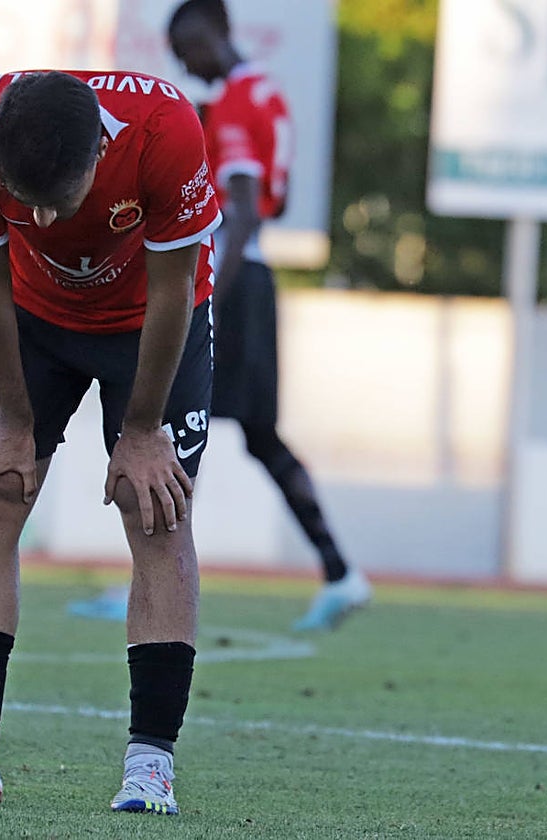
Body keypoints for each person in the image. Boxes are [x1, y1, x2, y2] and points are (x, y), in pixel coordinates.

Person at [0, 69, 222, 815]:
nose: (41, 216)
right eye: (27, 198)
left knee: (156, 510)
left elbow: (176, 288)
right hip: (31, 317)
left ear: (99, 152)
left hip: (148, 321)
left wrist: (141, 431)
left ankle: (150, 768)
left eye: (60, 197)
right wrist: (15, 422)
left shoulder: (164, 133)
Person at [168, 0, 371, 632]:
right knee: (249, 432)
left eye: (190, 47)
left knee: (166, 418)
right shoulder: (262, 93)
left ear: (218, 33)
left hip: (234, 278)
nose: (188, 63)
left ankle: (149, 581)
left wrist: (207, 304)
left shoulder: (236, 99)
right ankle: (340, 572)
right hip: (250, 276)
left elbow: (248, 210)